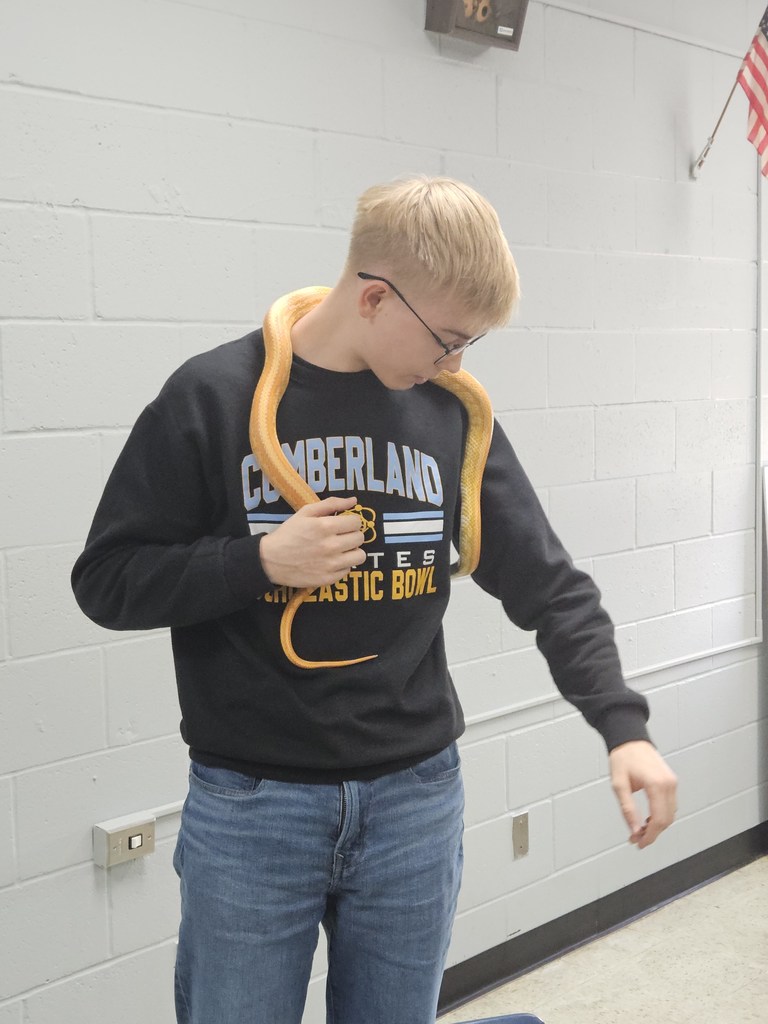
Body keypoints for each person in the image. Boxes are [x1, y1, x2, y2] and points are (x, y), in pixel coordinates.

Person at [71, 176, 677, 1024]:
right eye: (447, 339)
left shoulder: (453, 416)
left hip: (415, 802)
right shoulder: (213, 397)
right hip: (253, 809)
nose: (456, 364)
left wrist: (624, 725)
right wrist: (259, 562)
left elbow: (549, 583)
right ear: (375, 297)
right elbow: (107, 579)